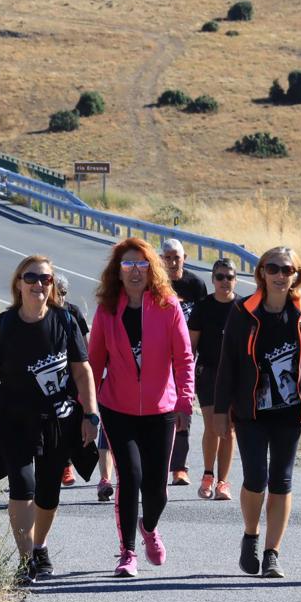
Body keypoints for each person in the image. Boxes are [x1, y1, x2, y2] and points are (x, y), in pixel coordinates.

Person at [0, 255, 99, 585]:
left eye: (45, 279)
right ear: (18, 283)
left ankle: (39, 545)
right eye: (32, 277)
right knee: (21, 487)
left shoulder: (65, 321)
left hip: (56, 419)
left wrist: (91, 414)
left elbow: (82, 371)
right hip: (13, 419)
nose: (38, 284)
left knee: (48, 494)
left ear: (53, 285)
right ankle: (26, 560)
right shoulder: (4, 325)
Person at [215, 246, 301, 580]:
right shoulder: (243, 312)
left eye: (287, 270)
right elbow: (228, 366)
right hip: (251, 412)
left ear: (296, 274)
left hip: (289, 412)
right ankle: (251, 535)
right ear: (262, 273)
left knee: (281, 481)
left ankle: (272, 553)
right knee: (256, 478)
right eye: (273, 269)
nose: (280, 276)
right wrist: (220, 411)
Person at [89, 238, 194, 578]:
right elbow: (93, 361)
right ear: (117, 272)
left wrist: (184, 400)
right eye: (128, 266)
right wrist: (88, 407)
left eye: (142, 265)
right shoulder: (107, 310)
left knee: (157, 489)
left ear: (152, 269)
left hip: (160, 409)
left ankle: (149, 527)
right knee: (129, 477)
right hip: (117, 408)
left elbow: (183, 358)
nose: (135, 272)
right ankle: (128, 552)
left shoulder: (168, 306)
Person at [187, 259, 242, 501]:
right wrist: (185, 379)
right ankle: (207, 476)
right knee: (212, 426)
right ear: (212, 279)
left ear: (235, 280)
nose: (224, 282)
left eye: (229, 277)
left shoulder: (243, 307)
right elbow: (191, 347)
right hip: (208, 372)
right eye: (219, 277)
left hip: (236, 376)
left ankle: (223, 482)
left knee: (229, 429)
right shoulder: (203, 307)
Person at [159, 239, 208, 487]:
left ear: (184, 257)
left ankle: (179, 467)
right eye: (167, 257)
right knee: (158, 413)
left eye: (176, 257)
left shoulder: (196, 285)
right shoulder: (156, 283)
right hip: (158, 358)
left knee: (183, 408)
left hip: (185, 357)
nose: (172, 262)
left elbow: (202, 321)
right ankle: (159, 464)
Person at [55, 275, 105, 493]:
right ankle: (63, 464)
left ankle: (68, 465)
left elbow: (85, 342)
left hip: (72, 375)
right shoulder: (41, 313)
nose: (60, 296)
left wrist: (87, 370)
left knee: (69, 420)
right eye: (58, 292)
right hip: (51, 376)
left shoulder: (72, 312)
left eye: (64, 292)